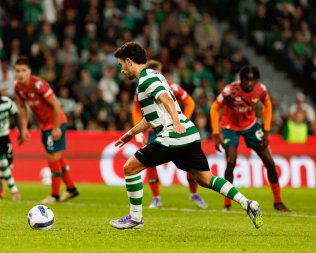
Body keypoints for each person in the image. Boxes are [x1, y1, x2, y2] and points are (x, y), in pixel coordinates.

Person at [110, 42, 263, 230]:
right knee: (205, 179)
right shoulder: (155, 76)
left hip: (172, 136)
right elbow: (153, 117)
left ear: (129, 62)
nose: (122, 71)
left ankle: (135, 218)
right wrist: (130, 133)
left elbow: (166, 100)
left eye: (121, 66)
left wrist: (175, 122)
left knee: (130, 168)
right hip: (188, 134)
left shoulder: (146, 80)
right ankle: (247, 203)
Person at [210, 65, 290, 212]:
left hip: (251, 126)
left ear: (257, 80)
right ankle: (227, 204)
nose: (250, 83)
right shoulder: (230, 90)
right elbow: (215, 107)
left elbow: (267, 105)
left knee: (270, 163)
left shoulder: (261, 90)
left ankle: (278, 202)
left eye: (253, 80)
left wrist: (266, 130)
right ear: (241, 80)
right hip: (230, 127)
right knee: (231, 161)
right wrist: (216, 134)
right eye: (247, 80)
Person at [132, 59, 207, 209]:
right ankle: (156, 198)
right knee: (149, 163)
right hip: (156, 129)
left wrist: (181, 120)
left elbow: (190, 102)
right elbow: (136, 108)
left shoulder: (170, 87)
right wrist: (138, 132)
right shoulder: (143, 87)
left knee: (189, 162)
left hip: (176, 128)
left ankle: (193, 193)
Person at [14, 55, 79, 204]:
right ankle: (71, 188)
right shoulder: (18, 87)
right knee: (57, 156)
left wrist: (56, 128)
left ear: (30, 71)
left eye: (23, 70)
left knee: (52, 157)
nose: (20, 74)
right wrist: (24, 128)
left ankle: (55, 195)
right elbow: (22, 107)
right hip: (44, 125)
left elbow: (56, 105)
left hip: (56, 123)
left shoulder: (39, 85)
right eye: (17, 71)